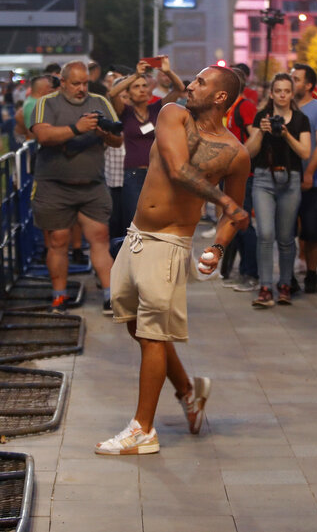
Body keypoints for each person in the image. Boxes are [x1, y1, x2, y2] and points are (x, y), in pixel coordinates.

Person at [96, 65, 250, 455]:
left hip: (168, 244)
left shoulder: (236, 153)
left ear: (220, 97)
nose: (190, 85)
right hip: (135, 237)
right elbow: (179, 169)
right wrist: (225, 201)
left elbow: (235, 214)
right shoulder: (172, 114)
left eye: (200, 82)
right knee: (136, 328)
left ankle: (142, 430)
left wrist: (216, 247)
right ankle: (188, 390)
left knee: (152, 336)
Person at [30, 61, 122, 310]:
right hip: (54, 185)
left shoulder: (100, 101)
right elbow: (43, 135)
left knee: (100, 238)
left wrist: (104, 133)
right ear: (63, 82)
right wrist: (76, 128)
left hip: (92, 185)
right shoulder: (47, 103)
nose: (82, 88)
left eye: (85, 83)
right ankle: (59, 295)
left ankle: (110, 295)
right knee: (58, 241)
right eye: (76, 83)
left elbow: (117, 139)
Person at [245, 73, 311, 307]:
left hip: (291, 179)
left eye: (286, 91)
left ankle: (284, 284)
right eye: (278, 90)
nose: (282, 95)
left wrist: (285, 133)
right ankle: (265, 287)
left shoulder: (301, 119)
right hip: (263, 178)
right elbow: (249, 152)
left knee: (285, 238)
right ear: (271, 94)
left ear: (292, 94)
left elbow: (305, 152)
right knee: (265, 234)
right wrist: (261, 132)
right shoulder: (261, 117)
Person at [108, 57, 185, 231]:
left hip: (157, 173)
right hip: (133, 174)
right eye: (136, 87)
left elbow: (180, 89)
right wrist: (136, 75)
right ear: (128, 93)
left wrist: (167, 71)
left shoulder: (156, 109)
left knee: (157, 222)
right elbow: (113, 94)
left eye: (144, 85)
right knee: (134, 223)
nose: (142, 89)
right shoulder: (125, 112)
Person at [220, 64, 260, 292]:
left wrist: (240, 159)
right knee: (234, 221)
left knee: (243, 222)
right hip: (229, 173)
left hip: (243, 175)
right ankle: (238, 269)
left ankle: (250, 272)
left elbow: (255, 136)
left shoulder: (245, 107)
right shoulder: (230, 108)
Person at [292, 63, 317, 294]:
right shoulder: (284, 107)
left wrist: (309, 173)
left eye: (296, 79)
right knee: (287, 231)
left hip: (314, 181)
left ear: (308, 85)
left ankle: (312, 274)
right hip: (287, 180)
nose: (292, 82)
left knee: (313, 230)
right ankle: (290, 274)